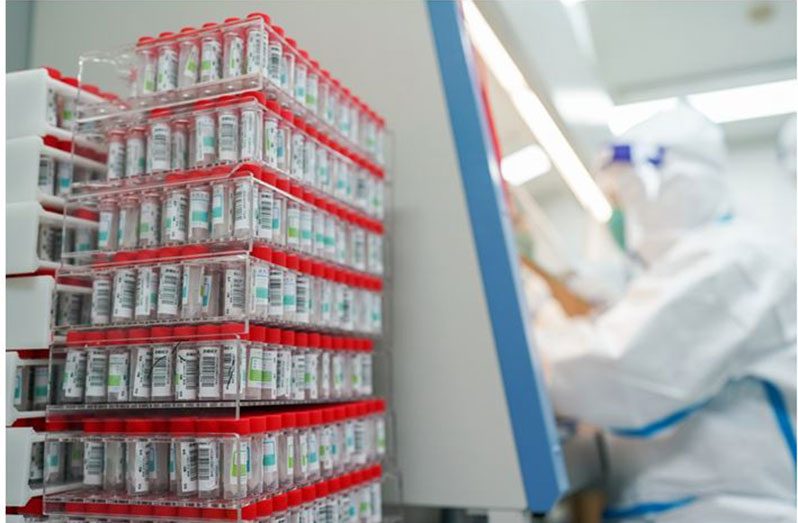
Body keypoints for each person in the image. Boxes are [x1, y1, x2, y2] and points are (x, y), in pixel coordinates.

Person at [534, 104, 797, 522]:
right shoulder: (699, 263)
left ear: (667, 186)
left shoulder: (736, 260)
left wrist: (517, 353)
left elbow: (621, 369)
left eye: (624, 196)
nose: (619, 214)